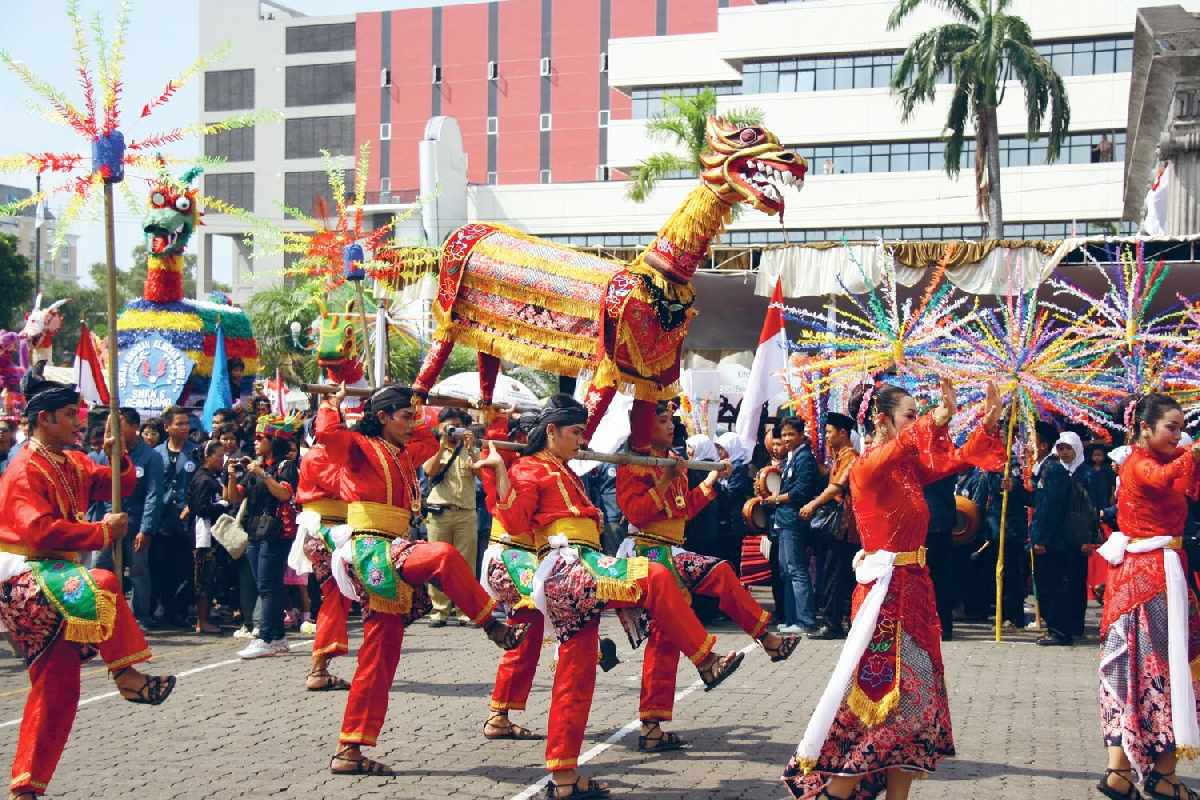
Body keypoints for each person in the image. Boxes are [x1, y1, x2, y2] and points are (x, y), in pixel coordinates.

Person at [479, 394, 746, 798]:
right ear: (550, 432)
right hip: (568, 567)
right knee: (655, 577)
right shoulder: (531, 469)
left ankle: (565, 780)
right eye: (575, 432)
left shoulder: (563, 470)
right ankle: (705, 660)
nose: (581, 439)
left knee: (576, 680)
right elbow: (515, 520)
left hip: (578, 571)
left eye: (583, 432)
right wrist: (501, 473)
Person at [783, 378, 1003, 800]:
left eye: (919, 416)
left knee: (914, 708)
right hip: (884, 601)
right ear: (882, 422)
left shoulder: (905, 469)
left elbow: (954, 461)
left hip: (915, 594)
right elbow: (907, 446)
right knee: (874, 701)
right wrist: (940, 415)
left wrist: (987, 423)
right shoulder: (869, 467)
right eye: (910, 416)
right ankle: (838, 792)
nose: (917, 424)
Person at [317, 383, 529, 776]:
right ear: (381, 417)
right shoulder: (358, 447)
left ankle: (350, 749)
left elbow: (428, 440)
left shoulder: (404, 452)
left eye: (412, 416)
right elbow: (327, 435)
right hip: (370, 547)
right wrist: (331, 403)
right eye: (403, 416)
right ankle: (491, 624)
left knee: (379, 659)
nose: (411, 423)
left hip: (393, 546)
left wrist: (463, 415)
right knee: (443, 556)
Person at [0, 364, 175, 799]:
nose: (79, 423)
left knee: (59, 689)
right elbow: (38, 531)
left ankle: (26, 788)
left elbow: (117, 484)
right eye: (69, 416)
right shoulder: (24, 469)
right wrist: (100, 533)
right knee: (102, 581)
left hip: (56, 575)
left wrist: (120, 455)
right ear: (45, 419)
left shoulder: (69, 461)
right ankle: (126, 675)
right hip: (27, 576)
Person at [615, 403, 799, 754]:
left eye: (672, 420)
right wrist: (666, 479)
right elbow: (636, 512)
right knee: (669, 627)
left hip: (673, 549)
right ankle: (745, 649)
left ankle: (653, 726)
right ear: (642, 425)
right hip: (646, 551)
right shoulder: (633, 462)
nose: (671, 426)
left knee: (700, 596)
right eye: (662, 420)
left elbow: (683, 509)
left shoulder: (673, 458)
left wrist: (712, 481)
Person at [1096, 393, 1200, 800]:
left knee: (1139, 670)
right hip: (1151, 582)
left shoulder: (1160, 463)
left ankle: (1121, 772)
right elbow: (1163, 479)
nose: (1178, 436)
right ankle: (1158, 773)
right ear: (1145, 428)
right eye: (1170, 428)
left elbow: (1185, 484)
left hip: (1152, 577)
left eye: (1181, 428)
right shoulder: (1140, 464)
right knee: (1159, 670)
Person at [229, 413, 301, 659]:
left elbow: (284, 494)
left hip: (276, 531)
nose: (256, 442)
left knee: (268, 585)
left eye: (262, 438)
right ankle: (278, 636)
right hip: (254, 530)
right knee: (266, 585)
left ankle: (266, 636)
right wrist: (232, 475)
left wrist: (262, 474)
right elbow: (234, 497)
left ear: (274, 440)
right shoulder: (256, 468)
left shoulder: (285, 466)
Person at [289, 434, 354, 692]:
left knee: (340, 596)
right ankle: (318, 669)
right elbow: (345, 486)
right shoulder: (317, 456)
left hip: (337, 531)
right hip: (325, 533)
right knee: (336, 596)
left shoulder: (330, 455)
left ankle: (321, 666)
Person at [93, 407, 163, 630]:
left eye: (120, 424)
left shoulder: (151, 457)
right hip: (109, 523)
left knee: (138, 571)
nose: (115, 429)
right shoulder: (107, 454)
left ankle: (141, 616)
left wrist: (146, 528)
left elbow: (154, 495)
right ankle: (102, 614)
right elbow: (101, 488)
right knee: (100, 567)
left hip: (136, 524)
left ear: (134, 427)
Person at [802, 412, 858, 640]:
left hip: (845, 527)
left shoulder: (851, 457)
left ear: (843, 433)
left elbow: (837, 486)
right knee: (837, 575)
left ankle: (832, 623)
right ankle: (840, 620)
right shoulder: (840, 456)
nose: (825, 436)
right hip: (841, 527)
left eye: (829, 432)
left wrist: (813, 504)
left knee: (835, 576)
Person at [422, 408, 480, 627]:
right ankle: (439, 610)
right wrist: (441, 448)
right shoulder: (433, 448)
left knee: (465, 565)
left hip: (466, 513)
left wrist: (472, 448)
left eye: (455, 426)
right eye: (447, 426)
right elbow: (429, 471)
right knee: (437, 563)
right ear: (439, 427)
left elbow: (482, 473)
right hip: (439, 513)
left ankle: (464, 609)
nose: (451, 430)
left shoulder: (470, 449)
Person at [765, 417, 821, 635]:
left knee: (796, 570)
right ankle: (791, 618)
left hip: (794, 522)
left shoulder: (804, 457)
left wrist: (777, 499)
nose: (787, 439)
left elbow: (801, 491)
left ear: (800, 435)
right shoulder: (793, 457)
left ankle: (805, 620)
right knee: (785, 570)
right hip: (784, 521)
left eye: (791, 434)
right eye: (784, 434)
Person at [1030, 424, 1079, 646]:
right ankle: (1055, 628)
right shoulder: (1044, 468)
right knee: (1046, 584)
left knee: (1053, 585)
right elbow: (1038, 502)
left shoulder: (1053, 469)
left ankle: (1059, 630)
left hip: (1053, 541)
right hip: (1048, 538)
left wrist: (1041, 539)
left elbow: (1050, 509)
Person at [154, 406, 199, 628]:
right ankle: (164, 609)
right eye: (179, 424)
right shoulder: (156, 453)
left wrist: (192, 505)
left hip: (186, 519)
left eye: (186, 423)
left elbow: (201, 483)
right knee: (162, 566)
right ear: (167, 427)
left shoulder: (196, 452)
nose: (184, 428)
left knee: (185, 567)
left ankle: (180, 611)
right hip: (162, 519)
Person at [188, 440, 229, 634]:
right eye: (218, 456)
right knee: (203, 577)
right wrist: (221, 506)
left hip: (213, 534)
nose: (222, 460)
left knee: (210, 576)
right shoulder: (202, 479)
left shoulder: (213, 477)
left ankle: (206, 616)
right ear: (207, 456)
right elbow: (199, 508)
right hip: (202, 535)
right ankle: (201, 620)